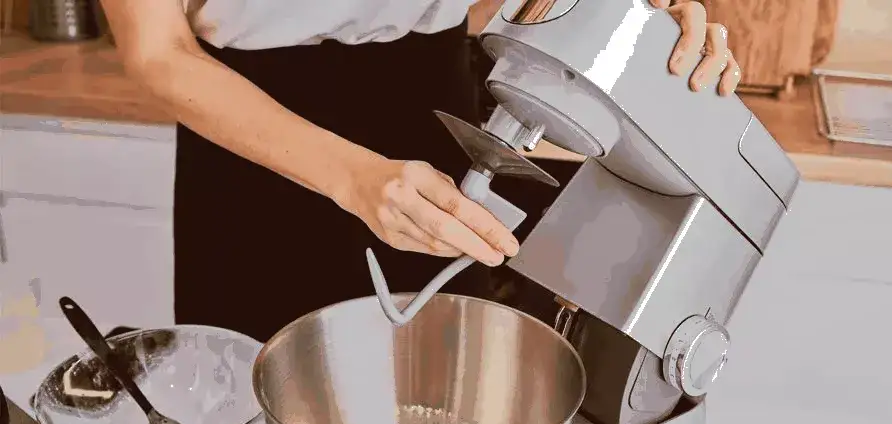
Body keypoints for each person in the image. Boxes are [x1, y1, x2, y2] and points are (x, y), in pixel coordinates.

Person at [99, 0, 741, 342]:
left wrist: (644, 21)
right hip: (257, 144)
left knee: (439, 417)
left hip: (431, 106)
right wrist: (352, 177)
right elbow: (157, 52)